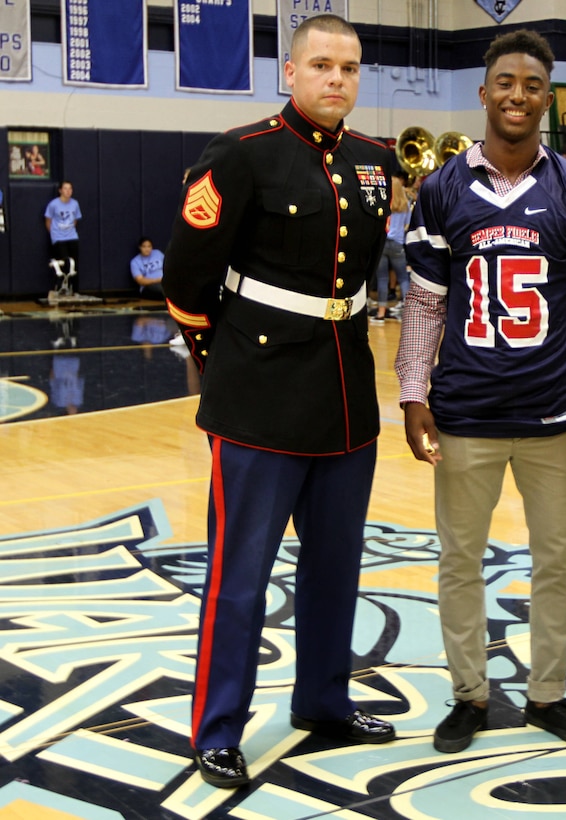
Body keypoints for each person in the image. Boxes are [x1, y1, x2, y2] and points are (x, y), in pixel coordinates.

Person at [161, 14, 396, 789]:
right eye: (322, 65)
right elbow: (187, 281)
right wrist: (222, 366)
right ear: (289, 74)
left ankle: (323, 701)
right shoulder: (242, 152)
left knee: (336, 570)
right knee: (240, 577)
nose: (337, 79)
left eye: (350, 68)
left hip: (344, 396)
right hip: (257, 399)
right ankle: (218, 727)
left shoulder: (371, 162)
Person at [396, 29, 566, 756]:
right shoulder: (440, 188)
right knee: (460, 562)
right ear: (484, 91)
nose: (517, 94)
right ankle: (469, 694)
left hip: (555, 412)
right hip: (463, 412)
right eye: (504, 82)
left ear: (546, 96)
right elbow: (425, 304)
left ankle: (547, 694)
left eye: (530, 83)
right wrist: (411, 395)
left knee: (555, 561)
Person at [372, 173, 412, 323]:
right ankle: (408, 313)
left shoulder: (384, 202)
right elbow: (407, 225)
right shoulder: (405, 204)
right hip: (397, 244)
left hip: (383, 243)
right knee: (403, 278)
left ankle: (381, 313)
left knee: (382, 278)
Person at [44, 180, 82, 281]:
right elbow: (48, 221)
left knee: (74, 263)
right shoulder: (53, 204)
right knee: (63, 263)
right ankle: (62, 288)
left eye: (70, 189)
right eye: (65, 189)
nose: (68, 191)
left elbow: (75, 220)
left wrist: (69, 229)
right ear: (60, 190)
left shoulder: (75, 204)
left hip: (72, 236)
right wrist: (54, 233)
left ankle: (74, 289)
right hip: (59, 238)